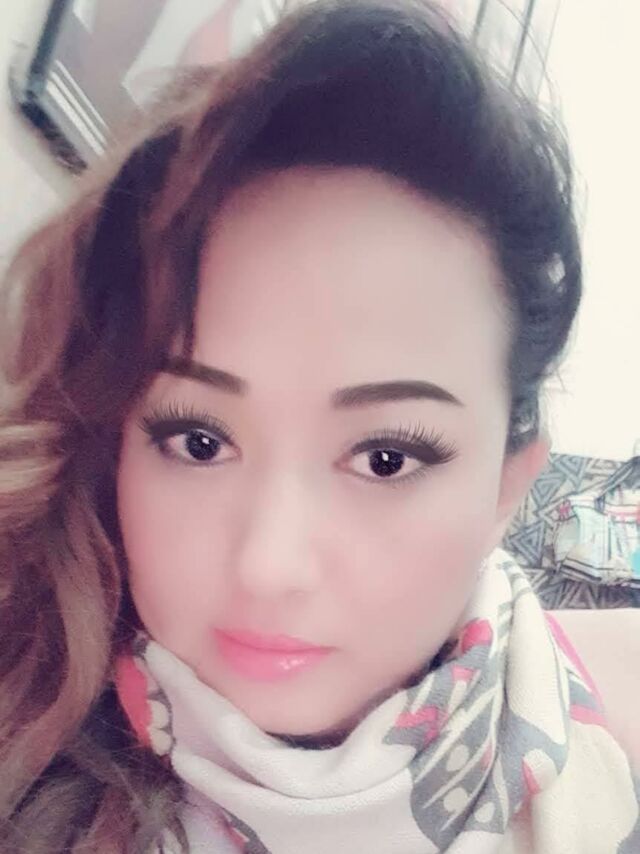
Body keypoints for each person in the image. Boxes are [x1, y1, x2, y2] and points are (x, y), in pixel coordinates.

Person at [1, 0, 638, 851]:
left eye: (385, 458)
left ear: (504, 490)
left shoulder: (611, 737)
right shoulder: (26, 714)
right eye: (199, 441)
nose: (270, 566)